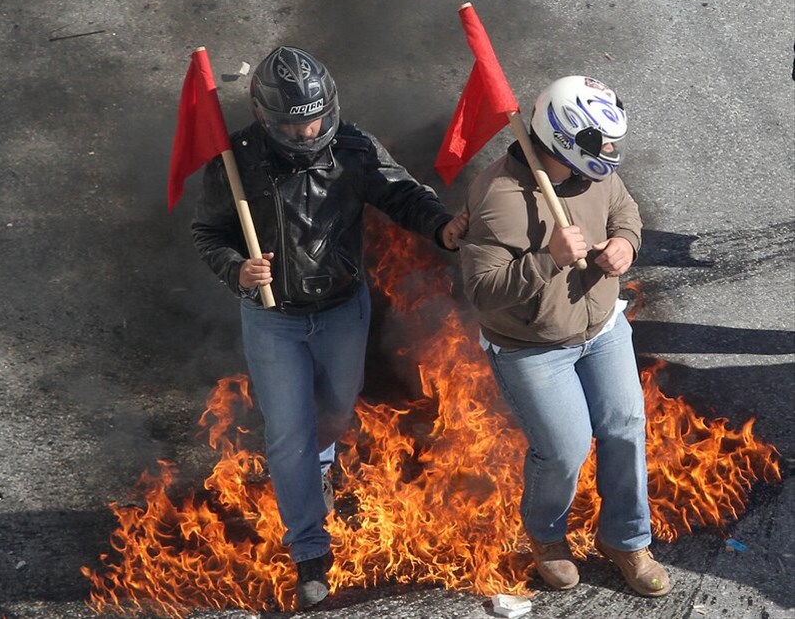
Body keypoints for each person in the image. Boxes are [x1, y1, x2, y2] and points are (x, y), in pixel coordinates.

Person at [191, 46, 467, 608]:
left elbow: (403, 194)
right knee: (289, 433)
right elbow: (209, 234)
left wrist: (442, 228)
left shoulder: (355, 147)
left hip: (344, 310)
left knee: (337, 412)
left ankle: (320, 465)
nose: (308, 129)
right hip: (273, 320)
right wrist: (236, 269)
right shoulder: (233, 161)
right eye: (294, 123)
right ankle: (309, 551)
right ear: (266, 117)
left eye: (315, 116)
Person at [460, 76, 672, 597]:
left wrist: (626, 243)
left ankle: (626, 539)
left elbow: (626, 211)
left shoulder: (597, 175)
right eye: (603, 142)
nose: (613, 152)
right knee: (565, 448)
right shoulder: (497, 196)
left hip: (603, 328)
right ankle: (547, 538)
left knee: (624, 427)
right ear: (566, 138)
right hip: (533, 350)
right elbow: (482, 293)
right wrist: (545, 260)